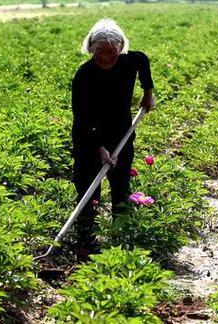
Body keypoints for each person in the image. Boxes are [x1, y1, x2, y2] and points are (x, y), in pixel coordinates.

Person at [71, 18, 155, 259]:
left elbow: (142, 59)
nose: (106, 57)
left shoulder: (129, 62)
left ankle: (121, 239)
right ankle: (86, 244)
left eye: (112, 51)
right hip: (88, 137)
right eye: (100, 51)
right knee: (88, 191)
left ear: (120, 47)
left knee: (120, 187)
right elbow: (82, 117)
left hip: (121, 133)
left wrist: (147, 92)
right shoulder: (84, 75)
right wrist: (98, 148)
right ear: (90, 48)